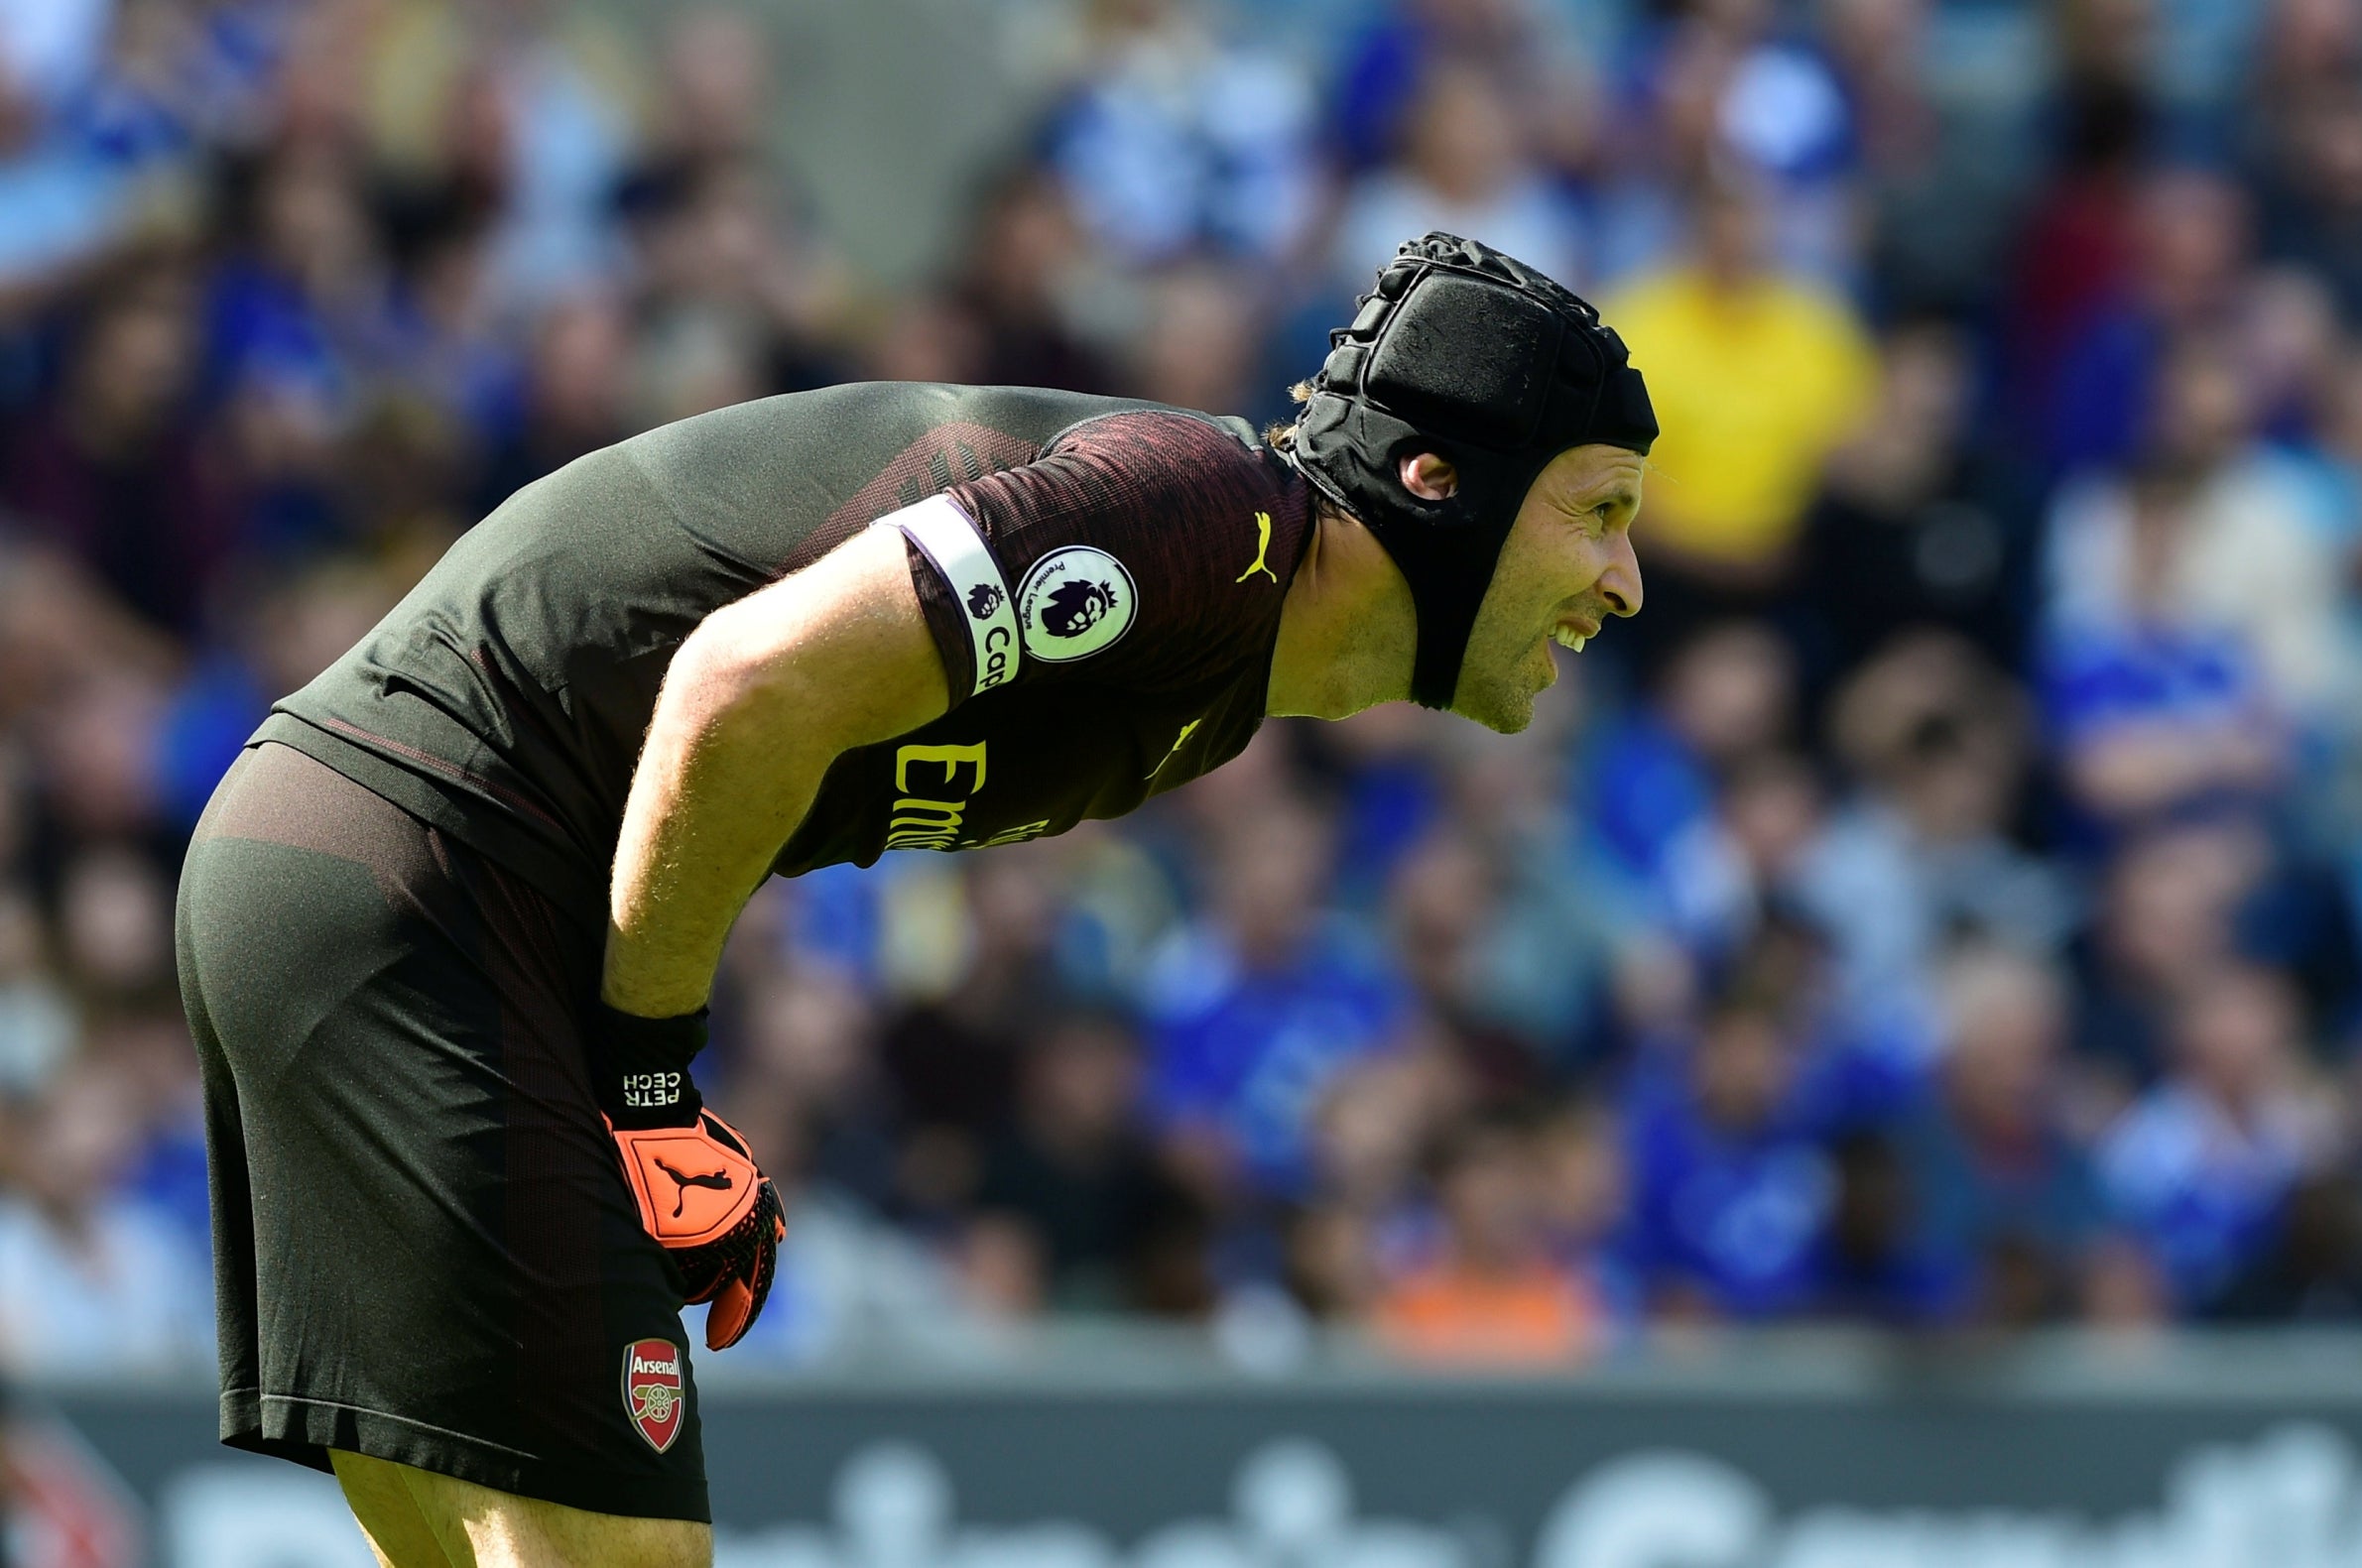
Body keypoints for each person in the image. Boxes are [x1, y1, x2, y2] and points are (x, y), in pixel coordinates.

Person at [171, 232, 1656, 1567]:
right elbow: (738, 684)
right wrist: (643, 1081)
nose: (1627, 577)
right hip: (404, 862)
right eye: (1598, 510)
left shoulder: (1229, 656)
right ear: (1438, 484)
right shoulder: (1211, 528)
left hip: (363, 865)